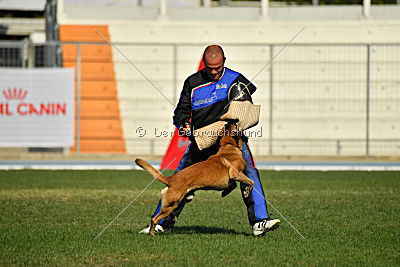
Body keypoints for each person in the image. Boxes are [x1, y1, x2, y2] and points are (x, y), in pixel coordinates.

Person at [140, 45, 280, 236]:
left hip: (230, 141)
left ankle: (260, 222)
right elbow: (181, 111)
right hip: (202, 141)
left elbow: (247, 104)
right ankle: (161, 223)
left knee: (249, 171)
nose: (214, 72)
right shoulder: (192, 83)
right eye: (210, 68)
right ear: (204, 64)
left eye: (218, 68)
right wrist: (184, 124)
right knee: (179, 179)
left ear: (224, 61)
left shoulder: (235, 79)